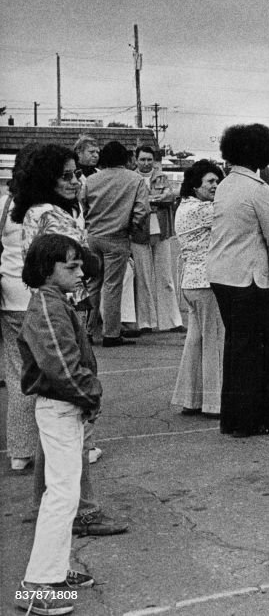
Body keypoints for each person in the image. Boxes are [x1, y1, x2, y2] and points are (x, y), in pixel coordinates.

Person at [6, 145, 127, 538]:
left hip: (66, 306)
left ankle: (47, 501)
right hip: (54, 310)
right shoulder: (44, 213)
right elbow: (55, 265)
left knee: (55, 419)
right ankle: (82, 510)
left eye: (77, 174)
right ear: (47, 179)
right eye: (66, 176)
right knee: (72, 411)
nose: (76, 181)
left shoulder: (60, 209)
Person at [16, 234, 102, 616]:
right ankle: (37, 587)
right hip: (60, 404)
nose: (79, 271)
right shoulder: (48, 308)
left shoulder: (53, 302)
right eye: (71, 266)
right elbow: (62, 365)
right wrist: (90, 394)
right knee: (63, 495)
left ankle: (56, 571)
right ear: (46, 270)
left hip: (64, 403)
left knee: (62, 491)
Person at [208, 124, 269, 439]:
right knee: (268, 348)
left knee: (237, 349)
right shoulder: (258, 189)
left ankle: (235, 418)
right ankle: (264, 416)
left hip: (222, 276)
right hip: (250, 280)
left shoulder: (226, 185)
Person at [80, 141, 149, 347]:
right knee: (112, 286)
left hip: (93, 236)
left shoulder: (91, 180)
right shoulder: (135, 180)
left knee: (92, 283)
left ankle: (87, 331)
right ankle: (111, 333)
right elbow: (142, 211)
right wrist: (132, 228)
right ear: (126, 159)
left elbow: (81, 206)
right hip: (117, 237)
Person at [171, 161, 224, 417]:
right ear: (196, 186)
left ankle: (191, 399)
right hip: (206, 282)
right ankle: (214, 403)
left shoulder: (185, 206)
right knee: (213, 340)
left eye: (217, 181)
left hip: (191, 281)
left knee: (196, 341)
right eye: (210, 182)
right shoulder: (204, 209)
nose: (215, 186)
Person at [2, 143, 38, 472]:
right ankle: (61, 446)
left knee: (16, 376)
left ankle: (19, 450)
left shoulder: (5, 203)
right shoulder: (46, 208)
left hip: (7, 295)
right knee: (52, 374)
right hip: (38, 298)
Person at [131, 145, 183, 333]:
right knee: (143, 279)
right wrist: (156, 199)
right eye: (142, 159)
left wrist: (152, 200)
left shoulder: (162, 177)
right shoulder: (132, 178)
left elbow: (170, 197)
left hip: (161, 230)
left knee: (165, 277)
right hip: (139, 232)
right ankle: (145, 322)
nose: (146, 163)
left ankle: (171, 321)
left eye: (149, 159)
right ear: (136, 160)